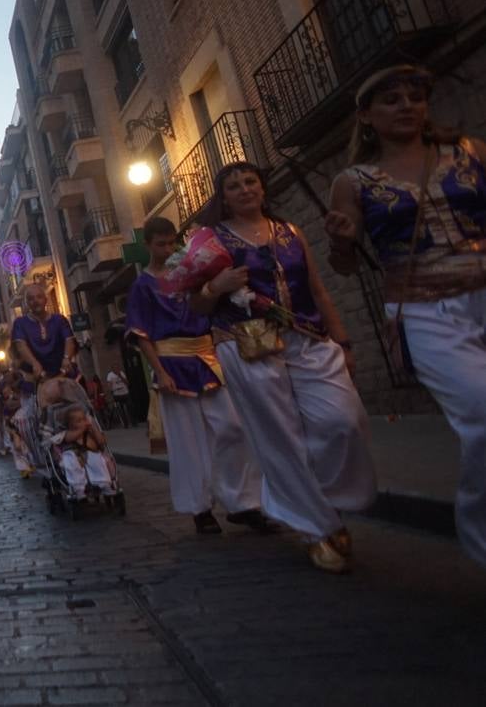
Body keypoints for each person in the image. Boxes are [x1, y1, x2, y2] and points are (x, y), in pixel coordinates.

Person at [326, 63, 486, 567]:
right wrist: (340, 239)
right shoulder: (353, 181)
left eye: (415, 96)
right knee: (481, 413)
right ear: (367, 116)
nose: (407, 106)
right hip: (424, 309)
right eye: (392, 99)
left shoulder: (469, 153)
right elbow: (346, 266)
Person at [191, 162, 376, 573]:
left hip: (309, 339)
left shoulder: (290, 231)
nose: (243, 189)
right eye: (234, 185)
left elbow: (317, 288)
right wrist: (213, 288)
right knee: (281, 438)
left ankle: (329, 500)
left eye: (250, 181)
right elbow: (195, 305)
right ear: (223, 196)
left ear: (262, 187)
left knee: (342, 421)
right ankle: (318, 527)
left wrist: (342, 340)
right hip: (247, 345)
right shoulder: (210, 241)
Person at [128, 216, 270, 536]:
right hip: (172, 363)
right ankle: (200, 508)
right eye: (160, 243)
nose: (167, 249)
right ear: (147, 244)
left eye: (172, 242)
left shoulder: (191, 275)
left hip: (207, 357)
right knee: (187, 441)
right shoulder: (142, 285)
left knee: (233, 427)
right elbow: (141, 335)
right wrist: (159, 371)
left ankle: (243, 503)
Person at [8, 284, 77, 475]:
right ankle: (44, 460)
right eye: (30, 299)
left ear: (45, 299)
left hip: (63, 377)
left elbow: (69, 340)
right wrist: (35, 364)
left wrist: (66, 359)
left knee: (78, 411)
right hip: (38, 381)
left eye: (39, 297)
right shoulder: (21, 324)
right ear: (26, 303)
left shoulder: (59, 320)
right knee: (33, 420)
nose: (35, 301)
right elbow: (20, 345)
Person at [53, 405, 114, 499]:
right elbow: (68, 438)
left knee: (97, 460)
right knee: (70, 463)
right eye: (79, 421)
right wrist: (81, 430)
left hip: (90, 452)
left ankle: (103, 483)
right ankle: (78, 488)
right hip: (74, 454)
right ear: (71, 425)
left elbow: (101, 441)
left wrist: (93, 428)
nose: (83, 422)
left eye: (84, 419)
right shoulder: (67, 433)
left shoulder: (89, 431)